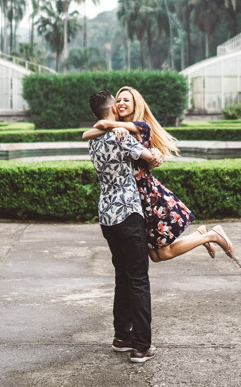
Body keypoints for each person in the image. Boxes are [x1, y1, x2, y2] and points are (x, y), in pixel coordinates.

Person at [83, 85, 234, 262]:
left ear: (136, 104)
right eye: (119, 100)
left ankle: (210, 236)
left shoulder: (140, 126)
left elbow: (103, 124)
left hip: (146, 195)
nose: (122, 103)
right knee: (156, 254)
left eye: (126, 100)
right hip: (133, 198)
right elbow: (87, 134)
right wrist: (114, 127)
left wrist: (114, 126)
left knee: (160, 253)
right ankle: (202, 235)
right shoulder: (119, 130)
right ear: (114, 107)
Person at [87, 89, 162, 363]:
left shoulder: (94, 141)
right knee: (139, 280)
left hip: (107, 216)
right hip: (128, 214)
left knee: (122, 277)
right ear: (113, 111)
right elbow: (150, 158)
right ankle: (142, 346)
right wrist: (153, 154)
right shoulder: (122, 138)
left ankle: (122, 336)